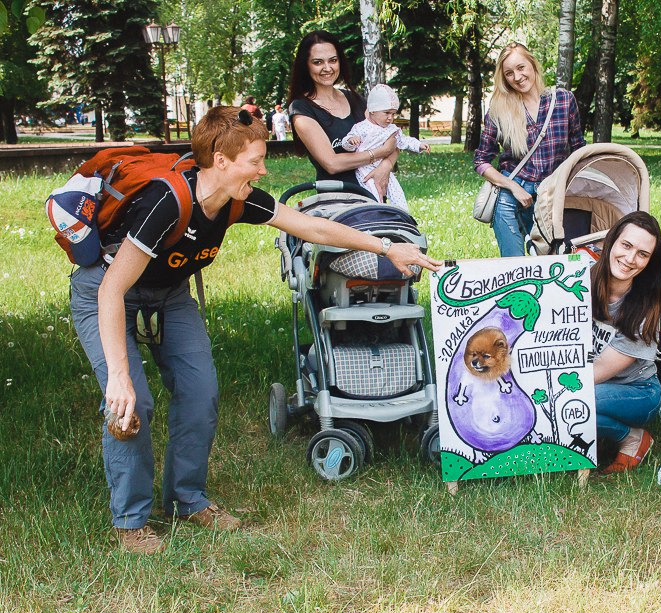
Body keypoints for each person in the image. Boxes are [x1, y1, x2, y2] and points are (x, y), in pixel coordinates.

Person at [69, 106, 441, 554]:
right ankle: (130, 521)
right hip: (107, 293)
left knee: (200, 389)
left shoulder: (236, 200)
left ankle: (188, 500)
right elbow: (111, 291)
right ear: (220, 161)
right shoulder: (165, 203)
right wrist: (120, 376)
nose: (264, 169)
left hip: (168, 295)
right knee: (133, 402)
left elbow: (312, 225)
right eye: (255, 161)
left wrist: (387, 246)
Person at [473, 42, 585, 257]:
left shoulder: (563, 100)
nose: (517, 77)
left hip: (552, 190)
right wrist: (514, 187)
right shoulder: (499, 110)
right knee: (515, 263)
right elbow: (481, 161)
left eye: (521, 67)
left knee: (552, 258)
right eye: (509, 73)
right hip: (513, 189)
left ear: (533, 65)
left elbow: (578, 149)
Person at [591, 212, 661, 474]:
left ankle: (632, 438)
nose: (630, 259)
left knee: (571, 400)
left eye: (642, 254)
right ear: (611, 242)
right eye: (626, 246)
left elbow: (596, 373)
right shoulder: (579, 281)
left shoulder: (646, 310)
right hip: (593, 379)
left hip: (637, 391)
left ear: (650, 261)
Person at [287, 30, 397, 200]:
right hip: (338, 202)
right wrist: (379, 152)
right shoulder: (301, 109)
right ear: (306, 65)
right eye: (317, 62)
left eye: (333, 60)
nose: (327, 68)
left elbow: (393, 139)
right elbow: (332, 163)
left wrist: (386, 166)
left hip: (374, 195)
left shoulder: (356, 100)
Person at [343, 84, 429, 210]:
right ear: (372, 110)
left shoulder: (392, 129)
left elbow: (403, 141)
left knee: (397, 192)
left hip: (384, 166)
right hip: (364, 169)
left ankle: (404, 216)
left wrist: (419, 145)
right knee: (374, 192)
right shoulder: (360, 127)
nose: (390, 118)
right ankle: (379, 215)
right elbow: (346, 144)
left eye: (393, 114)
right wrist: (351, 141)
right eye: (387, 113)